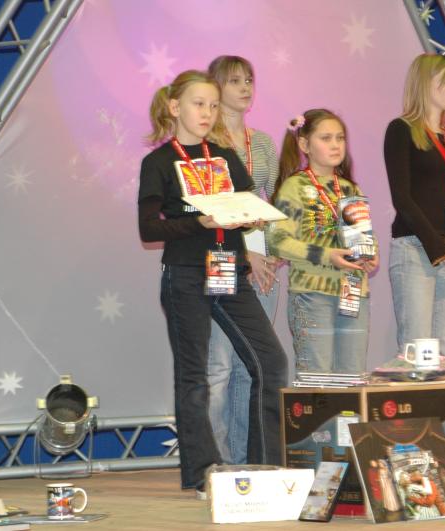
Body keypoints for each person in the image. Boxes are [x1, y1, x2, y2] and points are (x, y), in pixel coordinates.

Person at [137, 70, 288, 497]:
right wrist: (198, 222)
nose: (207, 112)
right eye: (198, 104)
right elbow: (149, 228)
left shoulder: (223, 156)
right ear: (175, 107)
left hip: (229, 270)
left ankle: (265, 463)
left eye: (213, 105)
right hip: (185, 273)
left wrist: (251, 218)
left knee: (271, 361)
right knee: (195, 375)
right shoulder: (159, 162)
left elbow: (247, 206)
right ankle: (202, 471)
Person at [205, 55, 282, 465]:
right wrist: (245, 253)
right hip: (222, 256)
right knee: (218, 366)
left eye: (249, 79)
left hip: (263, 259)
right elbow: (214, 209)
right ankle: (214, 463)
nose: (245, 87)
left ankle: (242, 461)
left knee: (248, 364)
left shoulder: (264, 142)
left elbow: (272, 202)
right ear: (216, 86)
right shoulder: (207, 144)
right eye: (235, 80)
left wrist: (273, 252)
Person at [384, 54, 445, 359]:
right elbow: (402, 198)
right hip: (416, 248)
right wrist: (443, 251)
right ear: (427, 84)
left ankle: (443, 394)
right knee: (418, 348)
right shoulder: (400, 130)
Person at [268, 109, 378, 376]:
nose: (335, 144)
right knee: (317, 379)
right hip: (312, 294)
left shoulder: (350, 188)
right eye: (326, 138)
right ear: (305, 144)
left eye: (340, 138)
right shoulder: (294, 186)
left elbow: (363, 237)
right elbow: (277, 240)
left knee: (352, 377)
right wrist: (326, 255)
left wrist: (370, 255)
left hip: (353, 292)